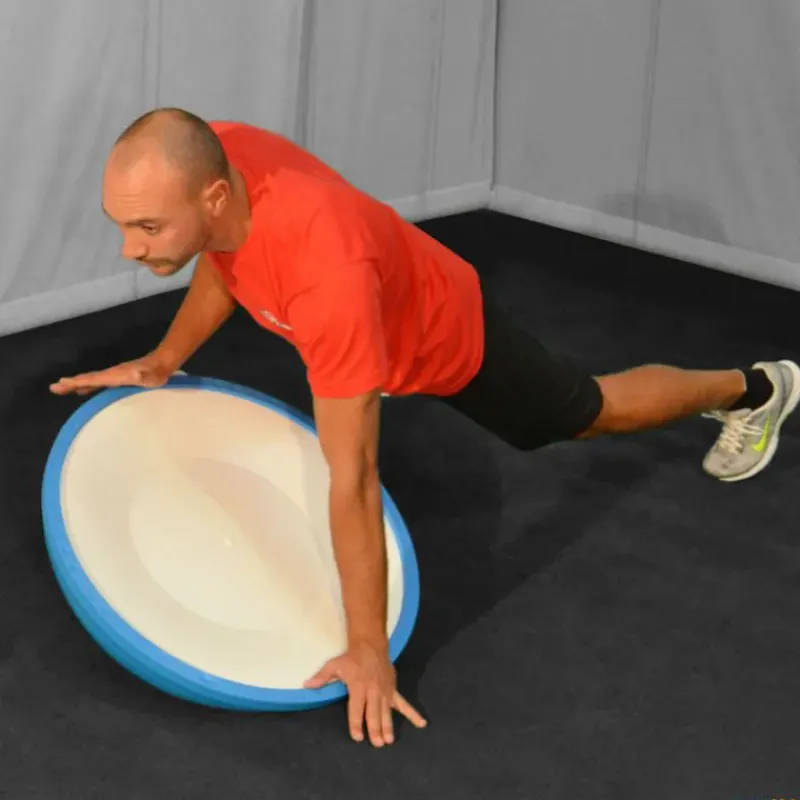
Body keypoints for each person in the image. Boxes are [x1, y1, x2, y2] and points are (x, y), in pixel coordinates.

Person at [50, 107, 799, 747]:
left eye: (147, 228)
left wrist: (367, 649)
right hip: (372, 299)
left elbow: (354, 478)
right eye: (123, 224)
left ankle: (755, 388)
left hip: (447, 339)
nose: (130, 249)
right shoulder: (216, 155)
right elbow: (225, 258)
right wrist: (162, 361)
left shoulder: (326, 279)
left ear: (214, 195)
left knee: (578, 414)